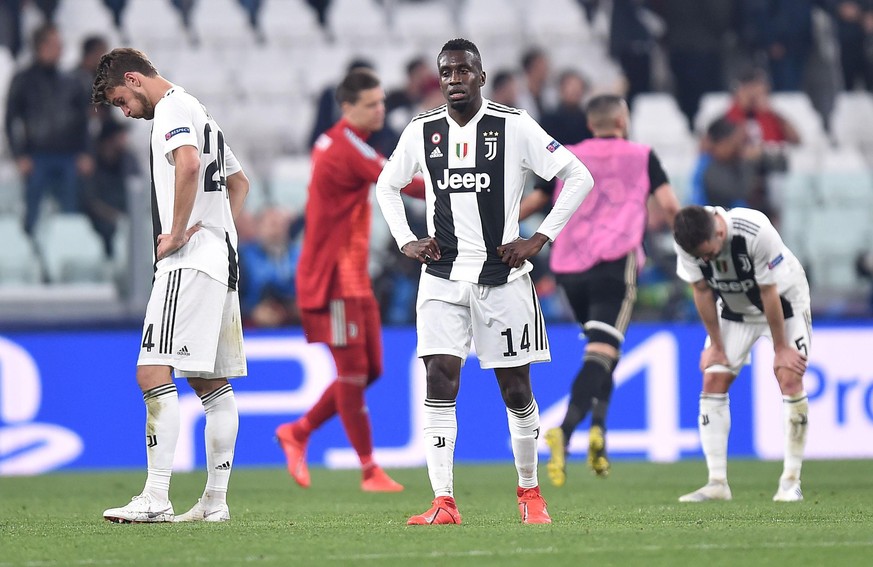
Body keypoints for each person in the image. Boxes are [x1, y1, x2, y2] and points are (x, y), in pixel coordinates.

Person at [376, 38, 595, 525]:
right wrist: (406, 239)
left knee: (516, 389)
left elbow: (577, 176)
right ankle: (444, 501)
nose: (454, 79)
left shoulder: (513, 126)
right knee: (438, 378)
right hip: (441, 276)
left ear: (480, 75)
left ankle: (530, 493)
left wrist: (538, 239)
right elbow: (386, 185)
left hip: (502, 277)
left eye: (462, 71)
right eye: (446, 73)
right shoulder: (421, 130)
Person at [92, 48, 250, 523]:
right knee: (209, 381)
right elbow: (240, 184)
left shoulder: (171, 111)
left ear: (136, 80)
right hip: (220, 258)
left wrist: (180, 231)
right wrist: (217, 230)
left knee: (151, 371)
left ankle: (156, 497)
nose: (125, 111)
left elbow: (186, 164)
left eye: (122, 100)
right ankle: (214, 503)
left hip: (188, 262)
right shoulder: (200, 111)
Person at [274, 68, 425, 492]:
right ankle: (368, 469)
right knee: (353, 371)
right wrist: (457, 183)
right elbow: (403, 185)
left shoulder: (345, 143)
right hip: (335, 278)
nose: (381, 110)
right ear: (347, 108)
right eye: (372, 104)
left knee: (370, 369)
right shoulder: (345, 148)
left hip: (353, 274)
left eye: (381, 102)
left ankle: (299, 431)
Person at [520, 94, 681, 485]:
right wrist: (691, 247)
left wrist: (494, 233)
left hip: (568, 267)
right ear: (622, 120)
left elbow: (537, 201)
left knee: (602, 349)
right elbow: (671, 207)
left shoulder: (567, 153)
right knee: (602, 351)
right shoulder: (642, 155)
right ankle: (568, 429)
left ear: (591, 124)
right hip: (615, 261)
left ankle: (599, 433)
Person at [672, 205, 810, 503]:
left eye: (708, 253)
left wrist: (781, 348)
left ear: (719, 231)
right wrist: (717, 345)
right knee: (713, 379)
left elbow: (768, 292)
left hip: (783, 305)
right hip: (735, 312)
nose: (706, 260)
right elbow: (701, 289)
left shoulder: (755, 230)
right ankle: (717, 482)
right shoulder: (686, 237)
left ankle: (790, 482)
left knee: (789, 377)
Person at [5, 23, 93, 235]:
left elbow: (84, 121)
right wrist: (19, 155)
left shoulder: (71, 81)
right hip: (36, 156)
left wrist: (87, 153)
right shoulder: (23, 80)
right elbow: (10, 121)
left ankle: (67, 254)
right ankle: (30, 253)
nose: (60, 49)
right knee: (32, 212)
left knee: (70, 211)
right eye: (54, 44)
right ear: (40, 46)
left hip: (68, 156)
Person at [238, 206, 303, 327]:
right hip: (253, 329)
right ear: (258, 227)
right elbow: (231, 298)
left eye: (282, 225)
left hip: (295, 326)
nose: (277, 230)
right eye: (272, 224)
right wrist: (251, 312)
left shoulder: (300, 256)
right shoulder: (242, 257)